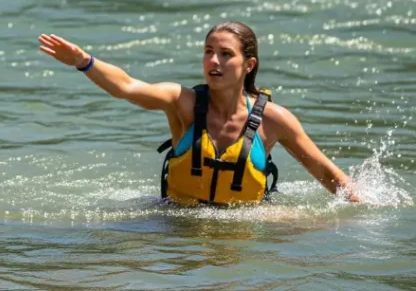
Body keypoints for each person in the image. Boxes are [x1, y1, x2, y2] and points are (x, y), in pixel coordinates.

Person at [38, 21, 362, 206]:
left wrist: (365, 215)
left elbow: (331, 176)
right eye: (208, 52)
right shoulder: (182, 103)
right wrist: (84, 61)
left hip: (246, 229)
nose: (214, 62)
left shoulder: (273, 120)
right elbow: (127, 87)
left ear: (249, 65)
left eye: (225, 54)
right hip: (176, 226)